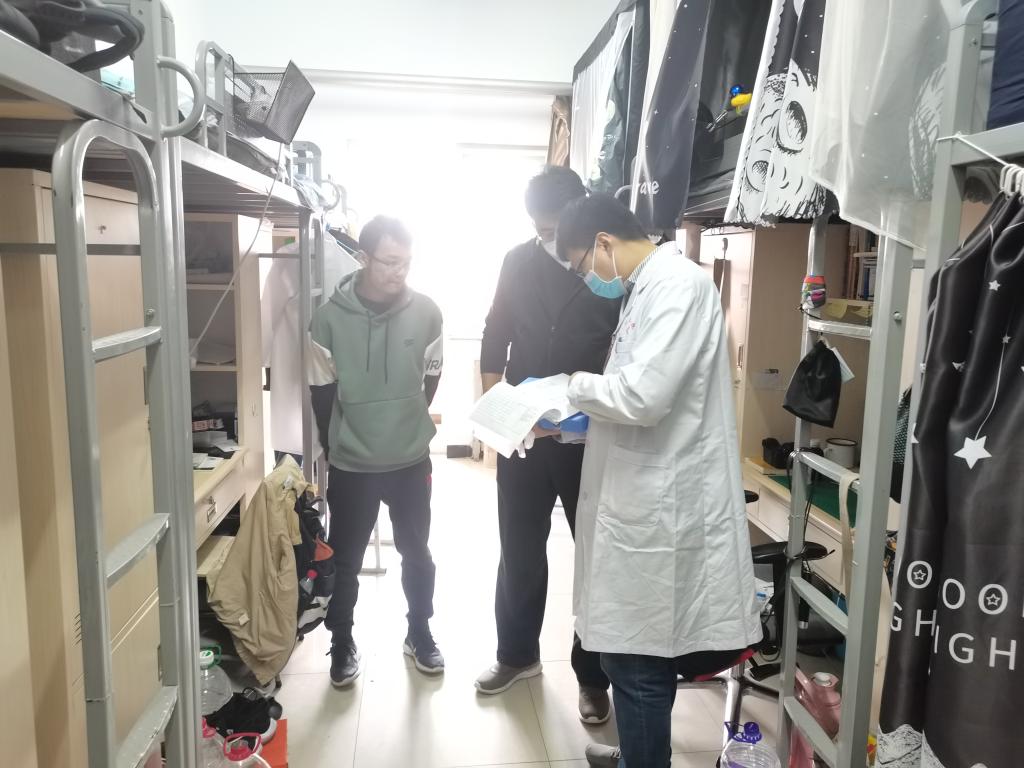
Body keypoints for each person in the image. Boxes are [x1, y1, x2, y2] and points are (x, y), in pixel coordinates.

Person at [554, 194, 762, 767]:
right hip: (638, 499)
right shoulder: (646, 286)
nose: (586, 278)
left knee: (637, 662)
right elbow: (640, 388)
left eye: (581, 265)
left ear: (603, 243)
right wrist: (571, 414)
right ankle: (634, 755)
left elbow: (643, 396)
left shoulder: (677, 285)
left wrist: (571, 386)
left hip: (659, 510)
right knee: (626, 653)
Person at [475, 167, 621, 725]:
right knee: (518, 548)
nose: (551, 240)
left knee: (596, 558)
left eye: (558, 229)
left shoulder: (609, 267)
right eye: (541, 230)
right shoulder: (517, 260)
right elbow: (495, 334)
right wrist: (500, 407)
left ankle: (594, 677)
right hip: (526, 435)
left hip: (590, 435)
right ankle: (516, 655)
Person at [308, 215, 444, 687]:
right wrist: (336, 446)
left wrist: (406, 420)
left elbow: (430, 378)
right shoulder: (327, 319)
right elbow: (322, 393)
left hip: (410, 461)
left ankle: (420, 631)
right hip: (353, 463)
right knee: (345, 559)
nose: (398, 271)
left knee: (417, 552)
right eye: (388, 262)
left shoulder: (427, 312)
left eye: (405, 262)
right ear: (363, 258)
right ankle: (341, 640)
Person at [262, 234, 360, 464]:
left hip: (293, 360)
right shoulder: (353, 267)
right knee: (328, 438)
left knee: (293, 446)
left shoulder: (290, 258)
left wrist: (262, 361)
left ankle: (292, 481)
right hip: (333, 369)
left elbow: (267, 316)